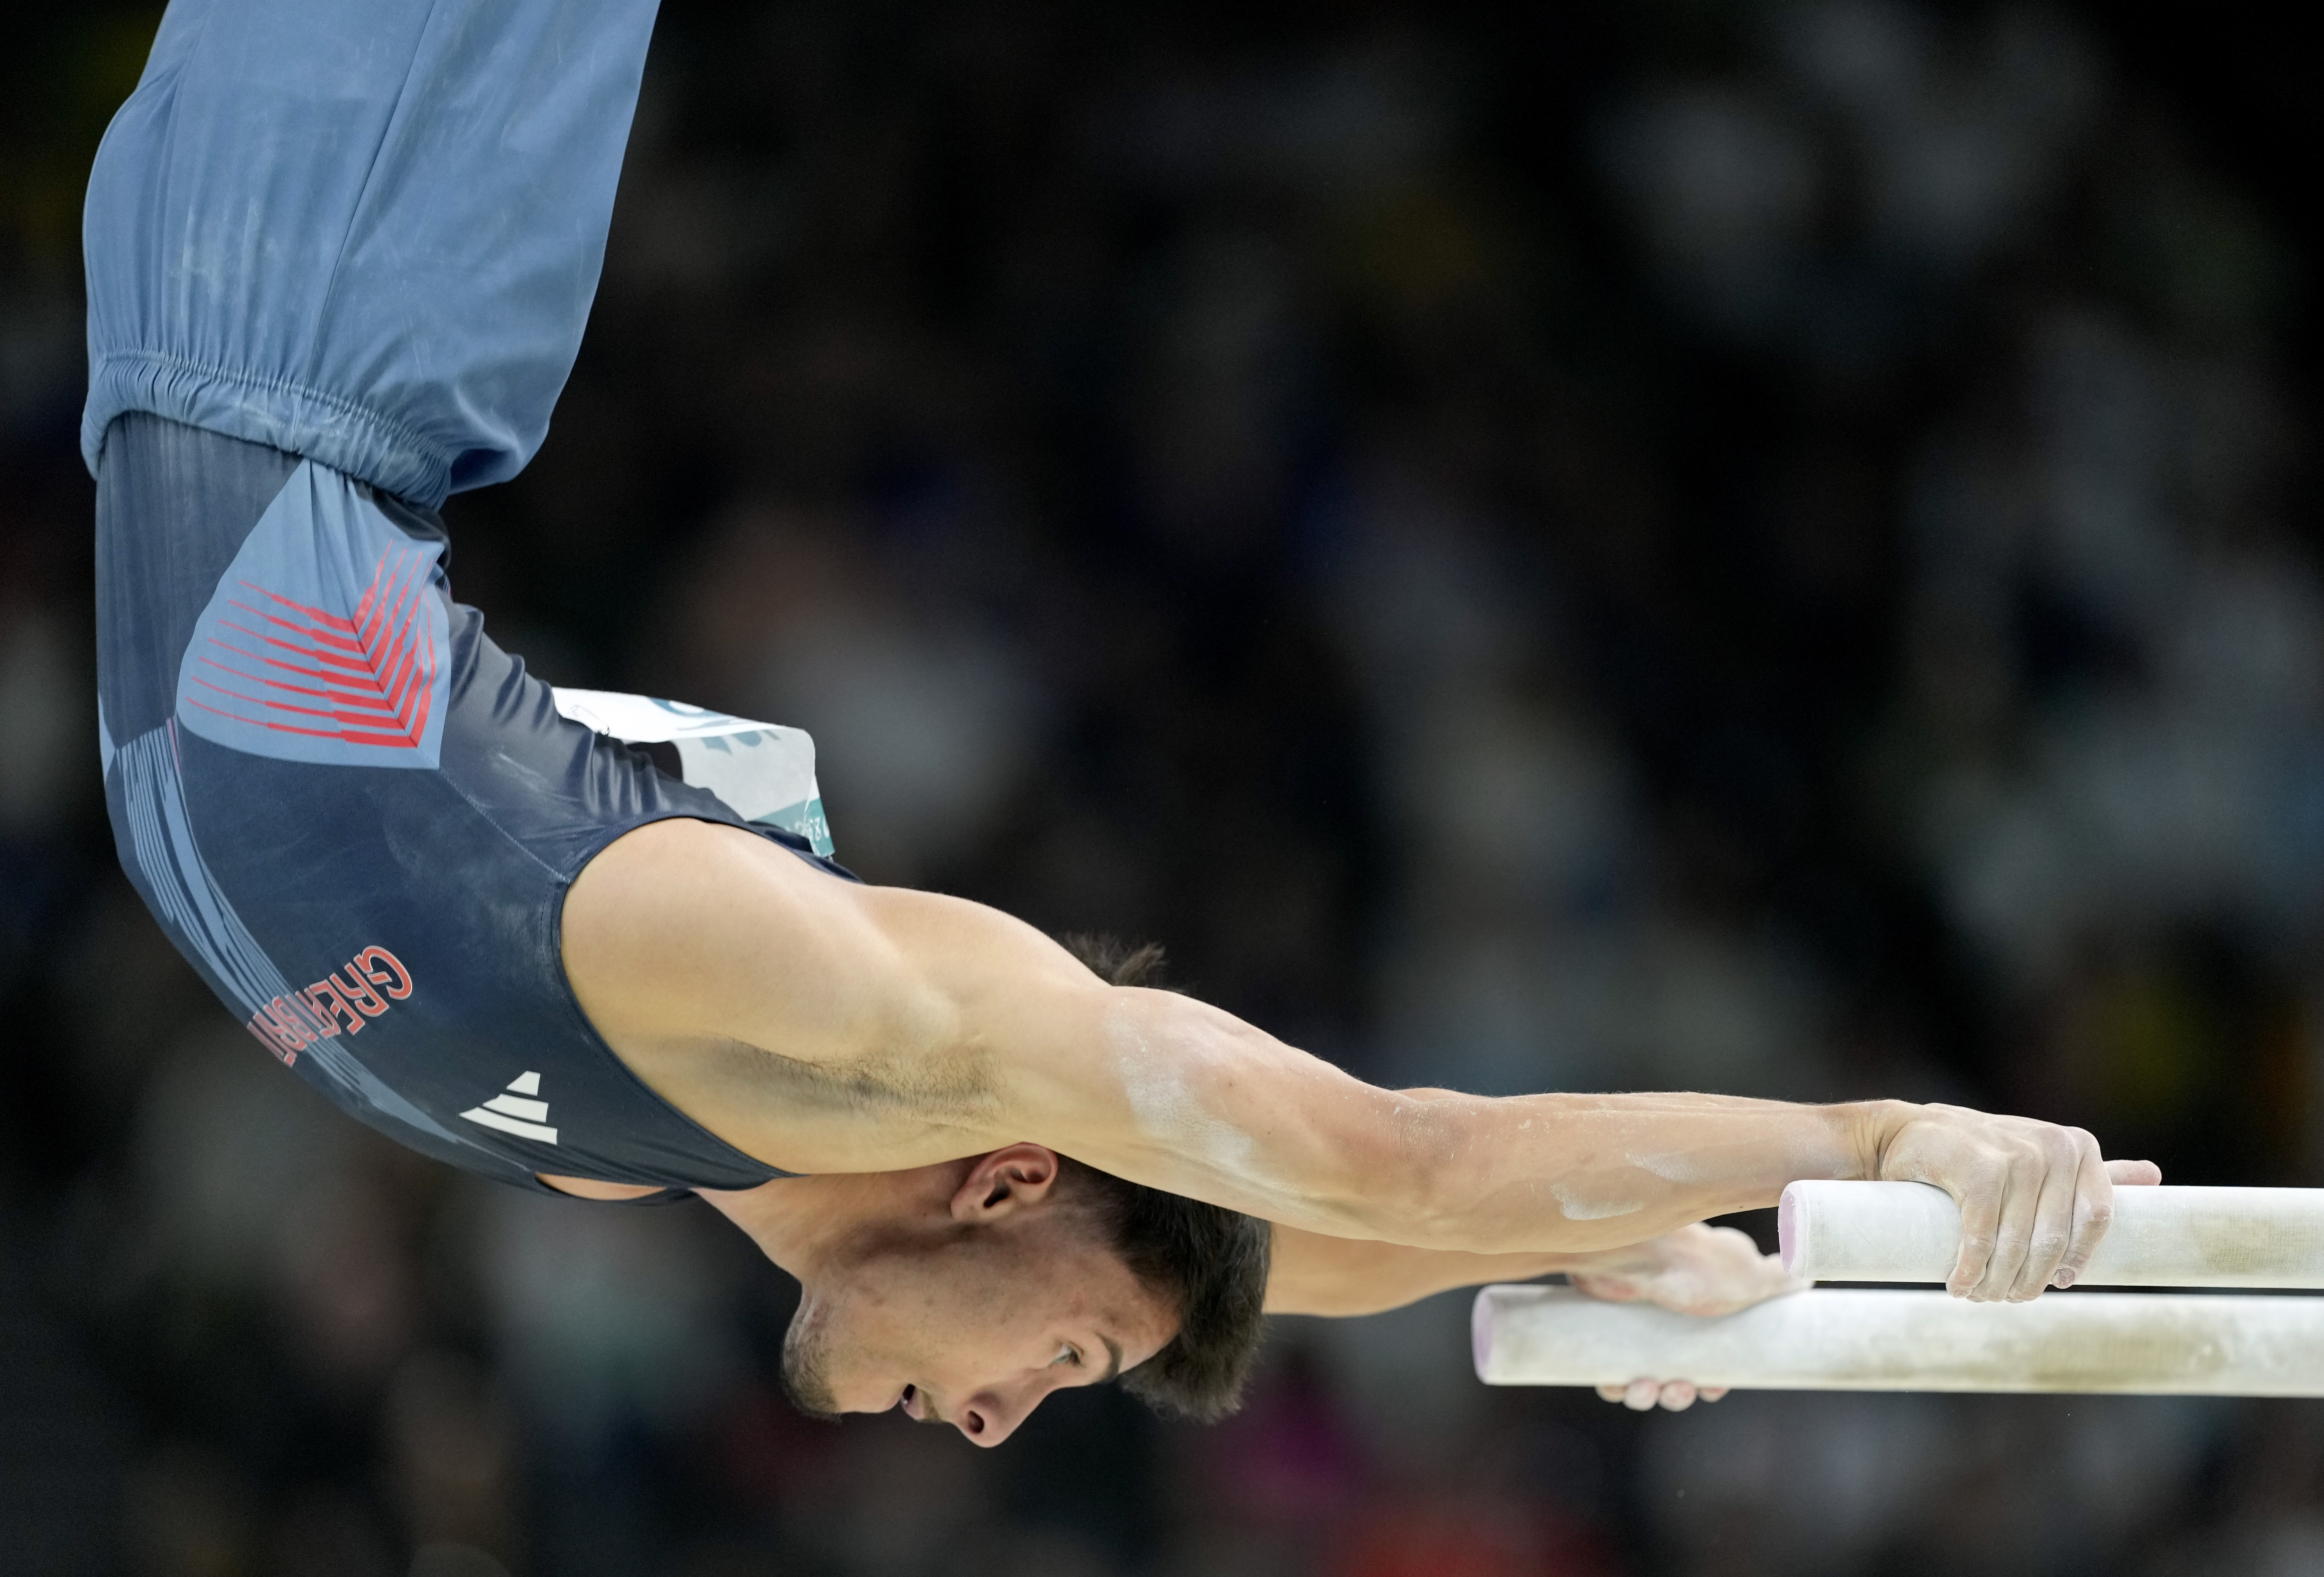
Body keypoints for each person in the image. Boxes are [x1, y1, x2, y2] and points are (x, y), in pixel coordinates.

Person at [84, 0, 2159, 1449]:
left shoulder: (659, 1154)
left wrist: (1615, 1246)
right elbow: (1398, 1159)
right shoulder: (847, 1014)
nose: (999, 1425)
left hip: (203, 310)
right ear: (999, 1180)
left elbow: (1317, 1243)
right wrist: (1878, 1142)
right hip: (336, 289)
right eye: (1066, 1362)